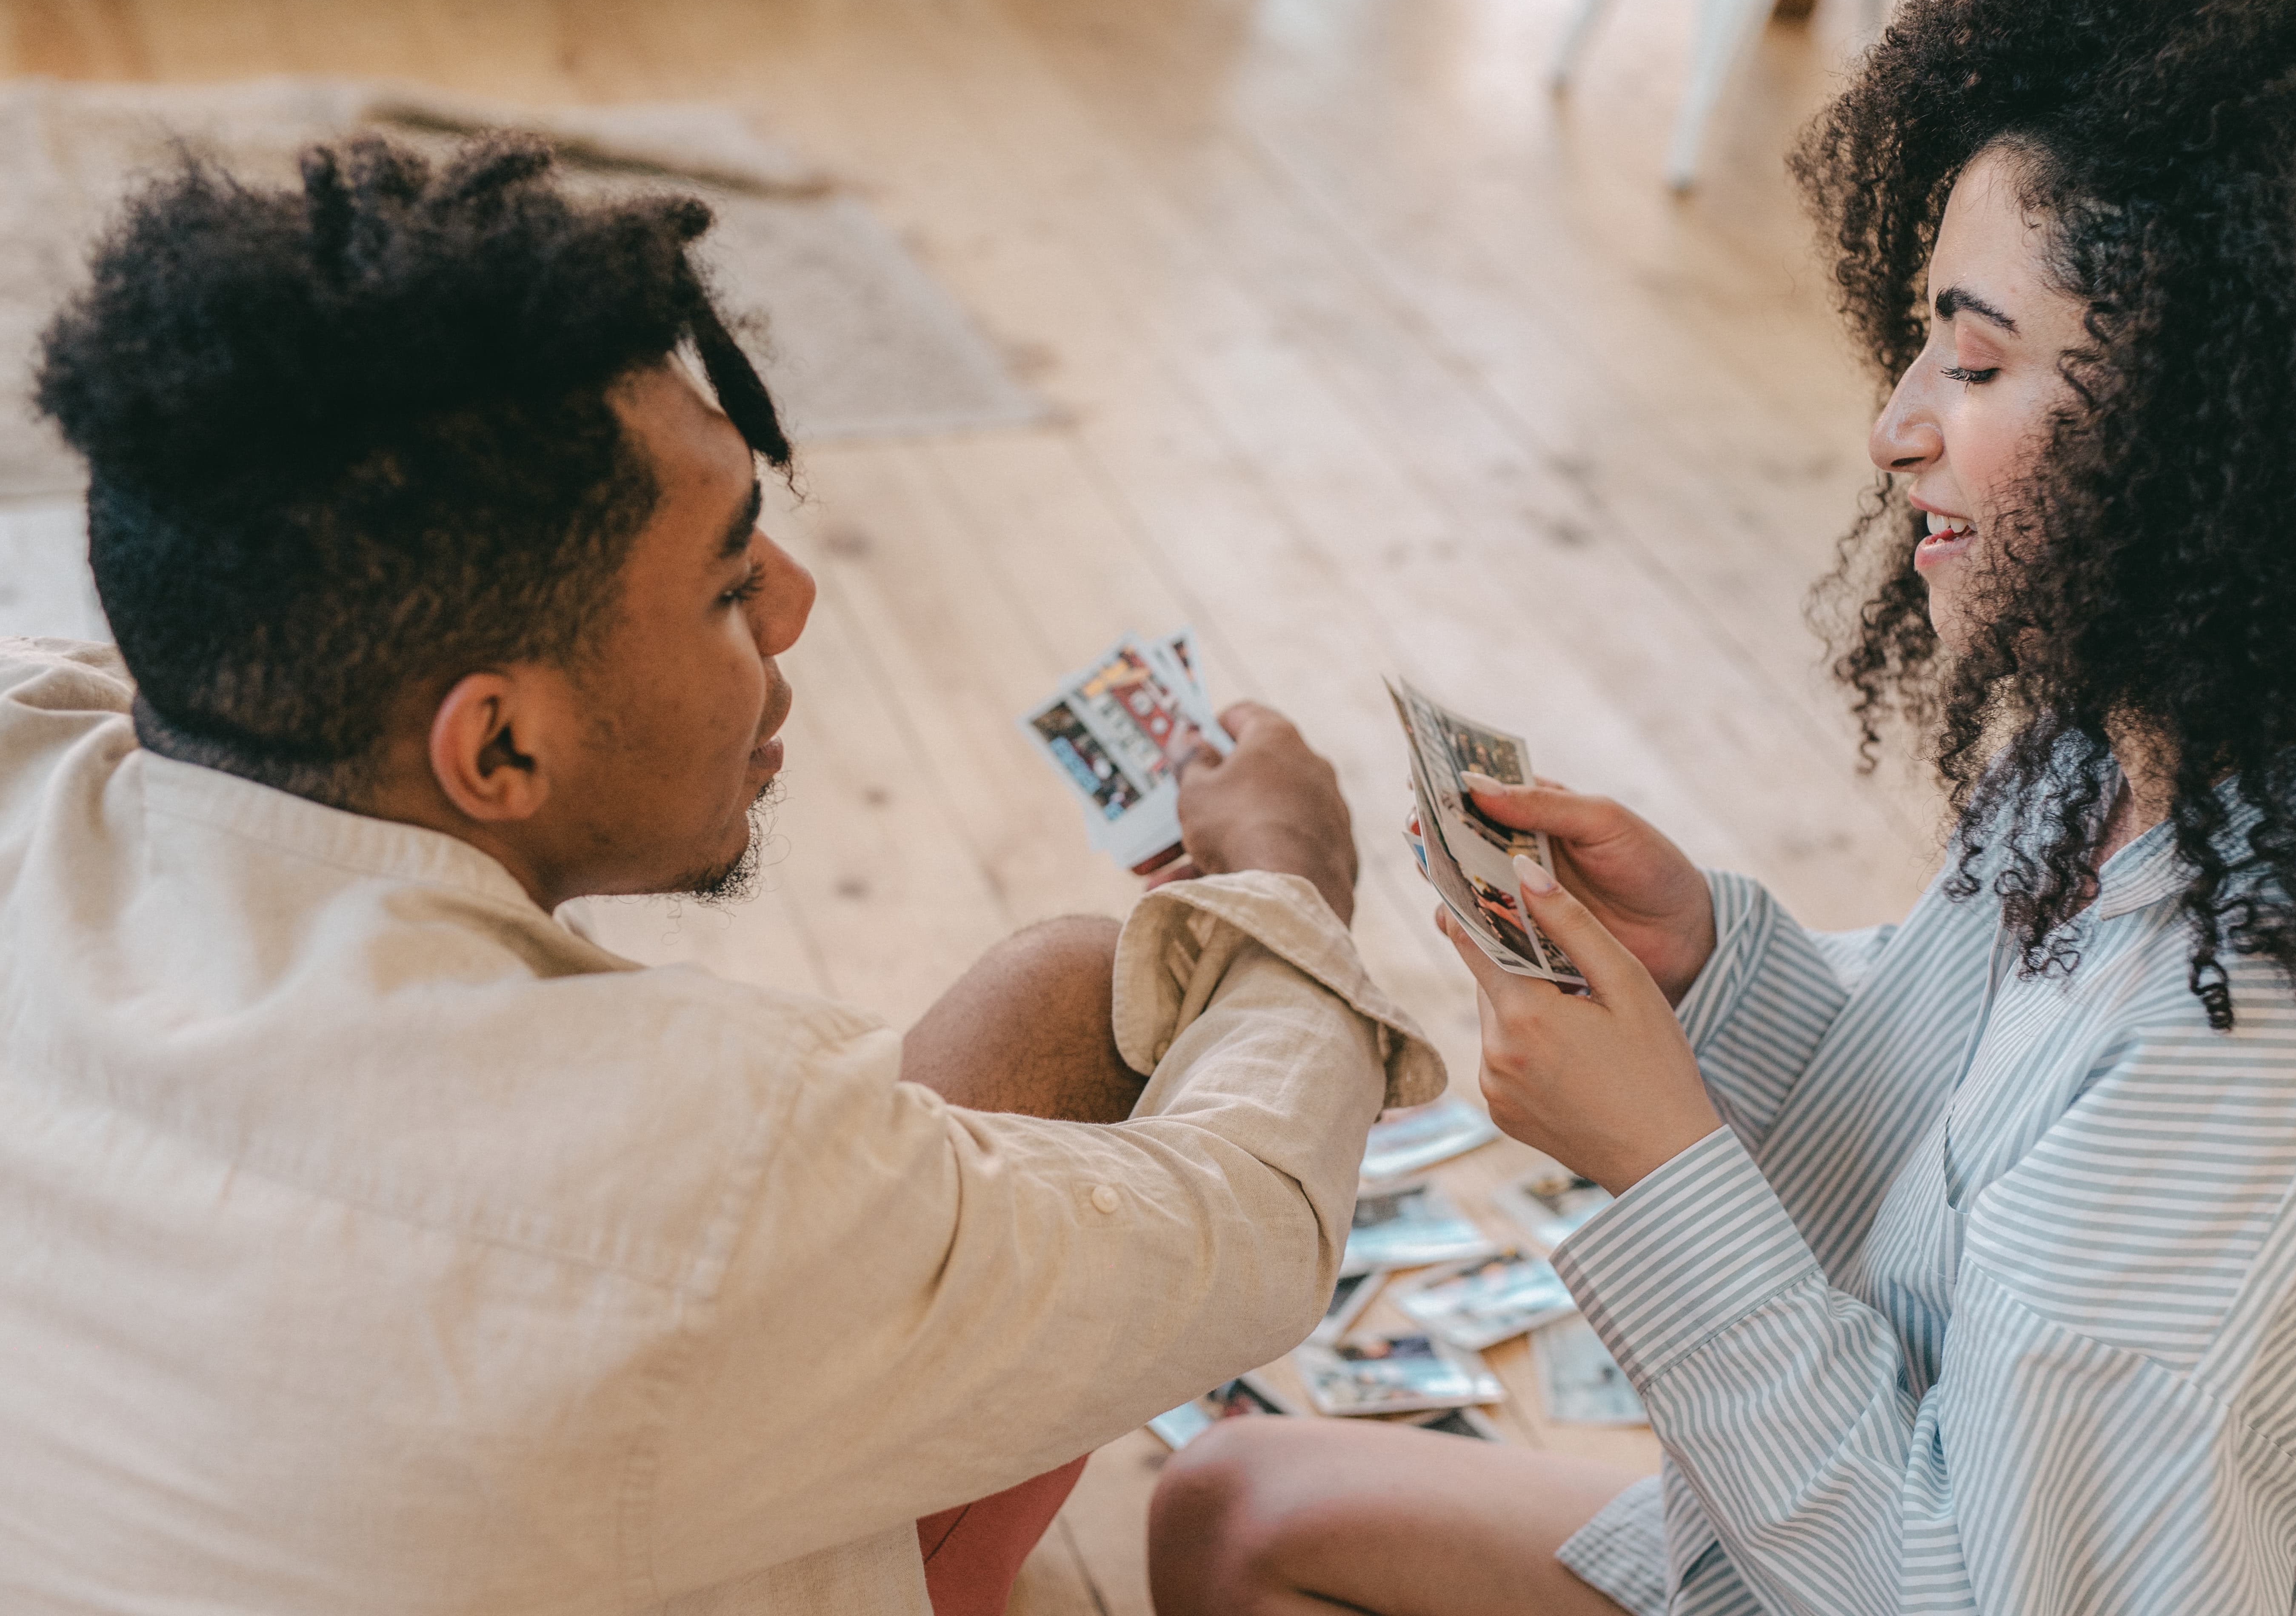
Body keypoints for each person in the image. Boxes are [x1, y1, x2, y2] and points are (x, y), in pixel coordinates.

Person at [1146, 0, 2296, 1612]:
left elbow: (1955, 1587)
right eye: (1919, 340)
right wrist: (1711, 970)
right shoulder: (2143, 747)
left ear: (2218, 432)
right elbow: (1977, 1128)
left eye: (1976, 361)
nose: (1897, 422)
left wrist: (1662, 1164)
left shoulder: (2256, 1047)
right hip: (1928, 1514)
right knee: (1226, 1509)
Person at [0, 134, 1442, 1615]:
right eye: (728, 580)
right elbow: (1248, 1232)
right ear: (497, 746)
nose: (798, 604)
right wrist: (1289, 885)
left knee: (1061, 995)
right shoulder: (705, 1165)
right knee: (1088, 1017)